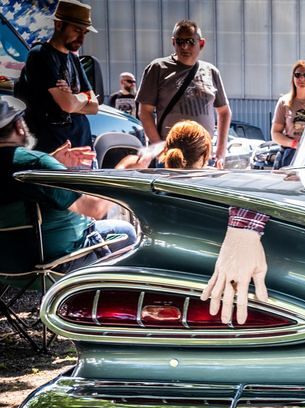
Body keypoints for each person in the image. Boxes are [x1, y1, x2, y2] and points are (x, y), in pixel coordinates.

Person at [0, 98, 139, 273]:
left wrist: (52, 163)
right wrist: (123, 169)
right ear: (18, 126)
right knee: (126, 231)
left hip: (7, 268)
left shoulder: (35, 165)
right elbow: (95, 209)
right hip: (56, 263)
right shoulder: (36, 163)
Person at [136, 19, 231, 169]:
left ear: (201, 44)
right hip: (169, 156)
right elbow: (144, 112)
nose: (184, 47)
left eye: (190, 41)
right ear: (173, 42)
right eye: (180, 41)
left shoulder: (211, 71)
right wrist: (159, 146)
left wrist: (220, 152)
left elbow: (224, 112)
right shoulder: (157, 68)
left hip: (202, 157)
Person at [16, 0, 99, 153]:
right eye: (77, 30)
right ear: (59, 25)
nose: (81, 38)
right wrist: (82, 98)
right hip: (53, 151)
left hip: (81, 147)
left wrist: (75, 98)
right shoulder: (40, 55)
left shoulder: (73, 59)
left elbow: (94, 106)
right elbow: (68, 105)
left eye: (84, 32)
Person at [270, 60, 305, 169]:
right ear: (293, 78)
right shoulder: (284, 102)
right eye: (298, 75)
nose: (302, 79)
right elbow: (275, 134)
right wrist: (295, 144)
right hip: (289, 155)